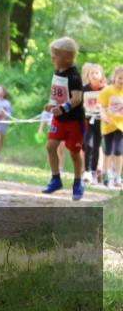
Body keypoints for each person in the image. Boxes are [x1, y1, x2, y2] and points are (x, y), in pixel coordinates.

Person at [41, 37, 85, 200]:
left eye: (55, 56)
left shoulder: (74, 76)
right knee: (50, 146)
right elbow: (57, 93)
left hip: (73, 121)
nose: (52, 59)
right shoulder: (57, 72)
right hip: (58, 119)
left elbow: (76, 98)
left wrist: (63, 108)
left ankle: (78, 182)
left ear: (67, 58)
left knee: (74, 153)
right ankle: (55, 178)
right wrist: (51, 104)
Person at [98, 65, 123, 189]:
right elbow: (101, 106)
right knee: (108, 150)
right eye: (120, 78)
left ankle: (118, 176)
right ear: (115, 77)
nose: (122, 81)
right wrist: (103, 116)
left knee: (118, 151)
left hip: (120, 126)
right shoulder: (107, 91)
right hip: (108, 125)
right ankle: (106, 174)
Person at [81, 63, 106, 184]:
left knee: (96, 146)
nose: (94, 75)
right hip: (88, 122)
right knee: (87, 145)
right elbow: (79, 105)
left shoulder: (105, 90)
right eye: (92, 73)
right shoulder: (84, 89)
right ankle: (87, 171)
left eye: (97, 73)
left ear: (101, 76)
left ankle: (95, 172)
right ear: (88, 76)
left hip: (101, 123)